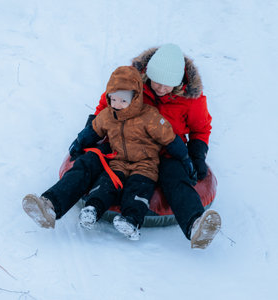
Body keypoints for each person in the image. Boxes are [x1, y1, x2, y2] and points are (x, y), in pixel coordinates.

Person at [23, 66, 193, 240]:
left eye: (123, 100)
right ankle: (51, 207)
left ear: (135, 98)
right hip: (117, 162)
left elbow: (169, 139)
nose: (117, 105)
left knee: (138, 189)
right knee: (105, 185)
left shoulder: (150, 117)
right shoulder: (107, 115)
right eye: (114, 99)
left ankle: (131, 221)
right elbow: (94, 130)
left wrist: (185, 158)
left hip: (145, 165)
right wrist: (79, 142)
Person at [93, 44, 221, 249]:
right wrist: (89, 132)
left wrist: (198, 155)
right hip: (130, 144)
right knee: (110, 170)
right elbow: (106, 106)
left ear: (179, 82)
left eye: (167, 85)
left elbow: (201, 128)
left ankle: (195, 224)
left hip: (169, 149)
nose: (161, 89)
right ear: (147, 74)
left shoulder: (191, 99)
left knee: (176, 177)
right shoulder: (133, 83)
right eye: (157, 82)